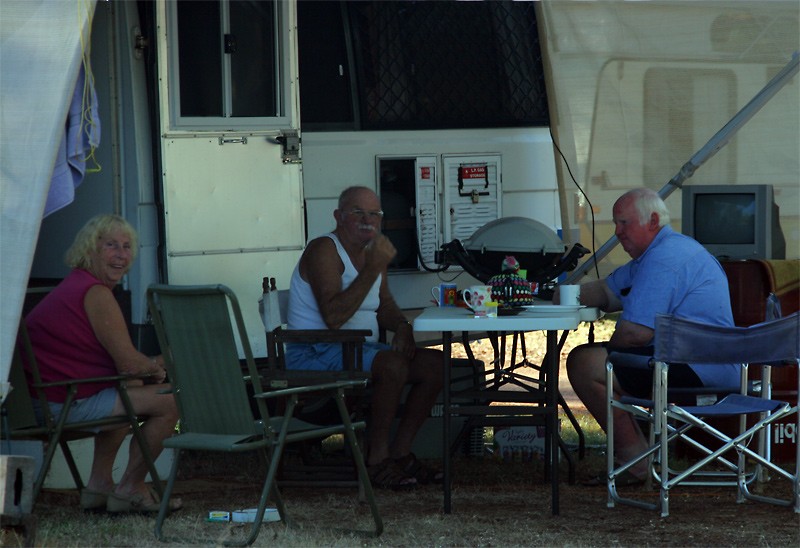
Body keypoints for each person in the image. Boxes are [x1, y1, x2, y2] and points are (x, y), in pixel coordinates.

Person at [557, 188, 737, 482]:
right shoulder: (662, 251)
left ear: (653, 221)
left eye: (624, 223)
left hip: (698, 369)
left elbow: (634, 335)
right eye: (616, 224)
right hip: (705, 364)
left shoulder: (663, 259)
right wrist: (552, 295)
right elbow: (606, 291)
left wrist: (608, 355)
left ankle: (636, 462)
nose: (617, 232)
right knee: (601, 361)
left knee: (586, 364)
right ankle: (639, 452)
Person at [285, 186, 444, 489]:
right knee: (392, 365)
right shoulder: (324, 249)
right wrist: (371, 269)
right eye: (358, 212)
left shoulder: (370, 254)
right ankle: (376, 460)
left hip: (358, 350)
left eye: (374, 214)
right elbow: (334, 317)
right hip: (315, 351)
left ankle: (400, 454)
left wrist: (403, 327)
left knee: (435, 365)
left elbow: (383, 305)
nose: (367, 220)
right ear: (338, 216)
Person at [24, 214, 180, 513]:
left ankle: (99, 485)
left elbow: (126, 368)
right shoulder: (95, 293)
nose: (121, 255)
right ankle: (131, 486)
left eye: (126, 246)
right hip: (60, 405)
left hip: (46, 400)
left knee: (130, 386)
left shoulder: (78, 284)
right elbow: (129, 363)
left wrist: (153, 365)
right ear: (90, 250)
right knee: (171, 401)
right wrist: (163, 365)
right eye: (111, 245)